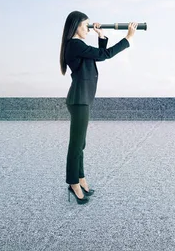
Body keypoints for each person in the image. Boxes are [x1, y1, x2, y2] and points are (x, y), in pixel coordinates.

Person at [59, 11, 137, 204]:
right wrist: (128, 38)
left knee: (80, 144)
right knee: (76, 145)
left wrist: (101, 36)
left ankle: (81, 178)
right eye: (85, 25)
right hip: (79, 101)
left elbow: (96, 56)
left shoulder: (77, 46)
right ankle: (72, 183)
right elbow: (105, 55)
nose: (88, 28)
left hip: (81, 99)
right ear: (76, 26)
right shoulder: (75, 45)